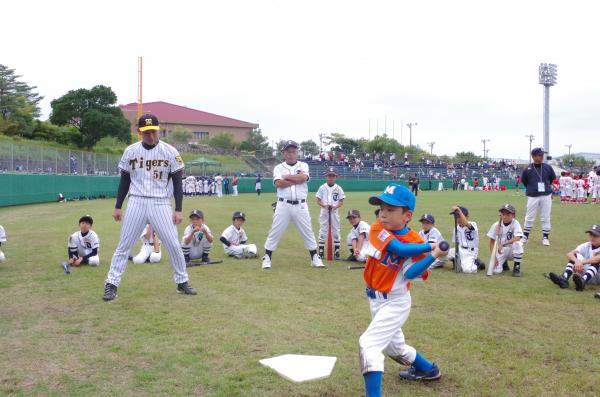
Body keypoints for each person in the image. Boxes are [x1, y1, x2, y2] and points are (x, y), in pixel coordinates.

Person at [359, 184, 447, 397]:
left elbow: (410, 274)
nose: (383, 214)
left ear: (407, 215)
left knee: (368, 345)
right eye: (382, 208)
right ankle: (428, 370)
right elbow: (399, 249)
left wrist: (433, 256)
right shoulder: (378, 228)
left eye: (391, 209)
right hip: (375, 299)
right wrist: (430, 247)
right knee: (395, 348)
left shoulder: (415, 239)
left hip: (396, 301)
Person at [103, 114, 196, 301]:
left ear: (158, 129)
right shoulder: (130, 151)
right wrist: (118, 206)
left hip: (160, 202)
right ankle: (111, 284)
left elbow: (178, 183)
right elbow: (124, 180)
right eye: (146, 132)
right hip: (136, 200)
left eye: (153, 131)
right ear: (139, 132)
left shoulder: (170, 152)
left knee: (173, 244)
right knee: (124, 245)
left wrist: (178, 209)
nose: (151, 136)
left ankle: (182, 281)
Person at [262, 140, 323, 269]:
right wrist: (297, 179)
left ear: (297, 152)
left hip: (301, 205)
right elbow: (279, 183)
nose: (291, 154)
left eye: (293, 151)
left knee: (308, 231)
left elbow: (304, 178)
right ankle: (267, 257)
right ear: (284, 153)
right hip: (283, 204)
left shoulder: (303, 165)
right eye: (288, 151)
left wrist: (287, 177)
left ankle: (314, 257)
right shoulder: (278, 167)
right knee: (275, 231)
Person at [547, 224, 600, 292]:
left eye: (595, 235)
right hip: (590, 273)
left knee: (595, 261)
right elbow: (570, 254)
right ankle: (564, 279)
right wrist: (577, 262)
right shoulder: (587, 245)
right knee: (574, 256)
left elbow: (598, 258)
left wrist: (581, 262)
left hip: (598, 277)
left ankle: (583, 281)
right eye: (590, 235)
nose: (592, 237)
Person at [521, 147, 556, 246]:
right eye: (539, 155)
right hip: (533, 196)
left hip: (546, 195)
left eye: (542, 155)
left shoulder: (547, 167)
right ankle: (525, 236)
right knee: (529, 217)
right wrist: (533, 188)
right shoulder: (527, 169)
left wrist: (548, 189)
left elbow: (551, 179)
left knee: (545, 217)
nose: (541, 157)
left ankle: (545, 237)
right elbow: (524, 181)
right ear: (533, 156)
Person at [486, 204, 524, 277]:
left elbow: (517, 238)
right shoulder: (496, 225)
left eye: (508, 214)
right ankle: (504, 263)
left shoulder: (515, 223)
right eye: (503, 214)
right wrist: (494, 257)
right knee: (496, 271)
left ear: (513, 215)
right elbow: (491, 242)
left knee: (518, 244)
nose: (505, 216)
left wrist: (503, 243)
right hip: (501, 251)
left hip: (513, 250)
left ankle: (517, 267)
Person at [316, 167, 346, 259]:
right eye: (329, 176)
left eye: (333, 176)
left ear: (335, 177)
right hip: (324, 211)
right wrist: (324, 206)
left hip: (334, 212)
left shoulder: (338, 188)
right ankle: (321, 252)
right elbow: (318, 200)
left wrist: (335, 206)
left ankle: (336, 252)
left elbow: (341, 201)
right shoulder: (322, 187)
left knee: (336, 230)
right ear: (326, 177)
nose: (331, 178)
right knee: (323, 230)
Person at [447, 206, 484, 273]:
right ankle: (457, 261)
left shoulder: (473, 224)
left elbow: (465, 223)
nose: (457, 219)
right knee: (442, 253)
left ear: (467, 217)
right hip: (459, 249)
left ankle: (477, 263)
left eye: (459, 216)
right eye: (456, 216)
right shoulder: (456, 228)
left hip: (470, 252)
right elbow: (456, 243)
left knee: (467, 270)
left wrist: (459, 210)